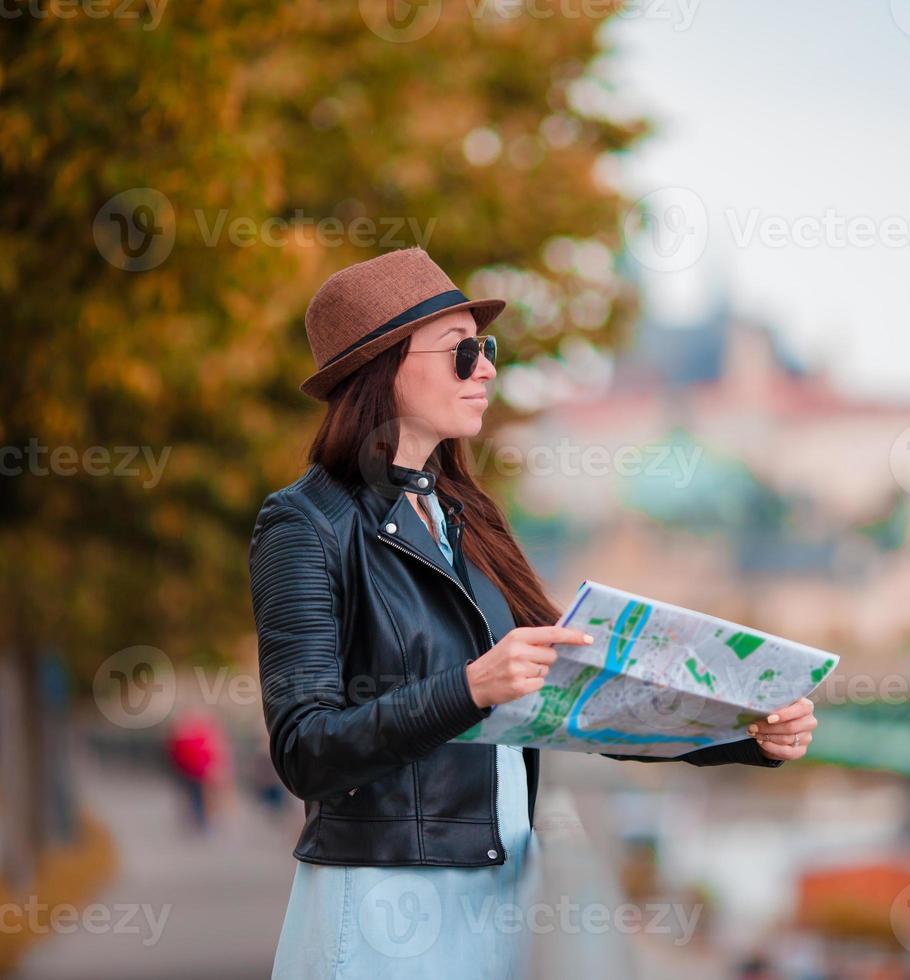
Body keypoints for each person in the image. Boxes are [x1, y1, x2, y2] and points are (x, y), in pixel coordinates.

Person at [248, 248, 819, 979]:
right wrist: (471, 688)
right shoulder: (305, 524)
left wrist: (747, 732)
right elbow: (305, 749)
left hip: (505, 895)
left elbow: (577, 702)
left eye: (485, 350)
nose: (487, 368)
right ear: (383, 367)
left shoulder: (466, 516)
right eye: (463, 352)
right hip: (386, 908)